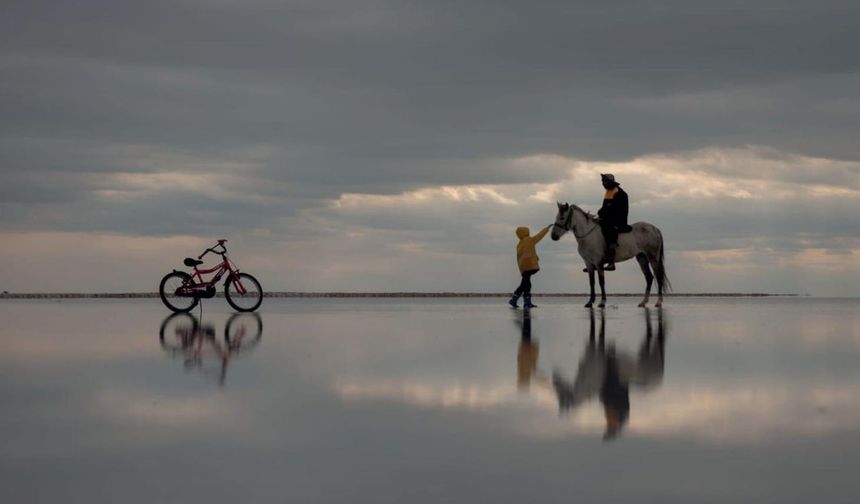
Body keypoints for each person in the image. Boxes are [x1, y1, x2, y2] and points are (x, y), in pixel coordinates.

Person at [509, 224, 552, 309]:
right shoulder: (529, 240)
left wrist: (521, 269)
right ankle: (520, 301)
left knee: (525, 283)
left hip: (524, 268)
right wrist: (546, 229)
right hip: (530, 265)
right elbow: (539, 236)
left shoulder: (519, 244)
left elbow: (518, 258)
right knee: (526, 284)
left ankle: (519, 301)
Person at [596, 173, 629, 271]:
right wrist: (600, 213)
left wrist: (608, 218)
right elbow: (605, 208)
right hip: (608, 219)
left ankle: (611, 262)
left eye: (605, 181)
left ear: (610, 182)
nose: (603, 184)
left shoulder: (620, 193)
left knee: (609, 232)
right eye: (602, 182)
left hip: (618, 221)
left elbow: (619, 211)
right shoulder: (608, 192)